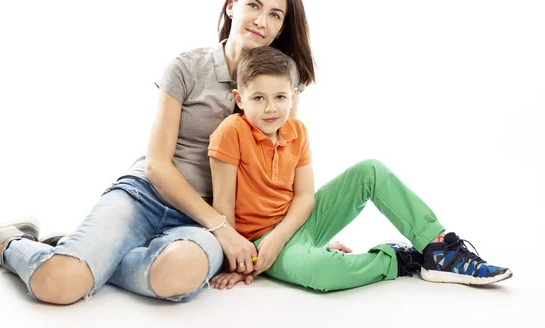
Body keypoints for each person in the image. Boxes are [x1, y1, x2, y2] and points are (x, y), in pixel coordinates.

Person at [0, 0, 314, 303]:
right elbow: (157, 165)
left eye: (275, 15)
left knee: (179, 275)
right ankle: (7, 243)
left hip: (202, 223)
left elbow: (277, 181)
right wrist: (221, 225)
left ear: (281, 28)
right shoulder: (186, 68)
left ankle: (90, 257)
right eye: (254, 5)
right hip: (146, 196)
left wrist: (304, 241)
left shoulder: (283, 90)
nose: (261, 21)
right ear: (232, 7)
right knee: (58, 285)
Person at [207, 46, 512, 291]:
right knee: (321, 272)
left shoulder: (296, 131)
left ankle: (439, 248)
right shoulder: (231, 131)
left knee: (370, 169)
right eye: (258, 98)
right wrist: (236, 261)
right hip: (258, 242)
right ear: (240, 99)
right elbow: (223, 207)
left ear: (293, 96)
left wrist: (282, 236)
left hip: (298, 222)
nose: (270, 108)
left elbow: (304, 198)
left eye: (280, 97)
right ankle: (398, 260)